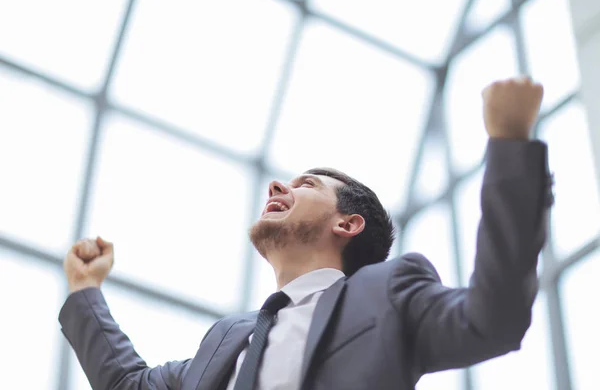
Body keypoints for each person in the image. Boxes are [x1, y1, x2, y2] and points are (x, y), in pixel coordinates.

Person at [59, 76, 553, 390]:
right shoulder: (225, 339)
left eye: (307, 184)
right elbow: (127, 384)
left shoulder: (388, 293)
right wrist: (86, 290)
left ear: (348, 224)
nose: (277, 185)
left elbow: (495, 319)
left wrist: (509, 143)